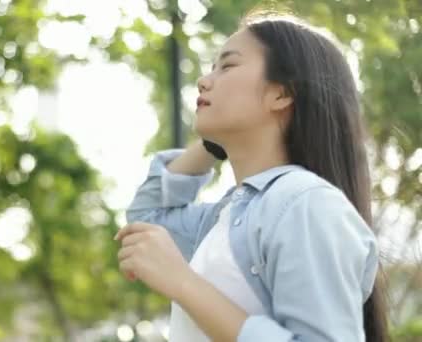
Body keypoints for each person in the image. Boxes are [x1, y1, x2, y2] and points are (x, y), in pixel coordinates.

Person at [113, 11, 389, 342]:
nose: (204, 80)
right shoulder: (225, 218)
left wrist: (183, 283)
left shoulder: (305, 204)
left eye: (227, 66)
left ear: (281, 94)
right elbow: (147, 219)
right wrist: (213, 142)